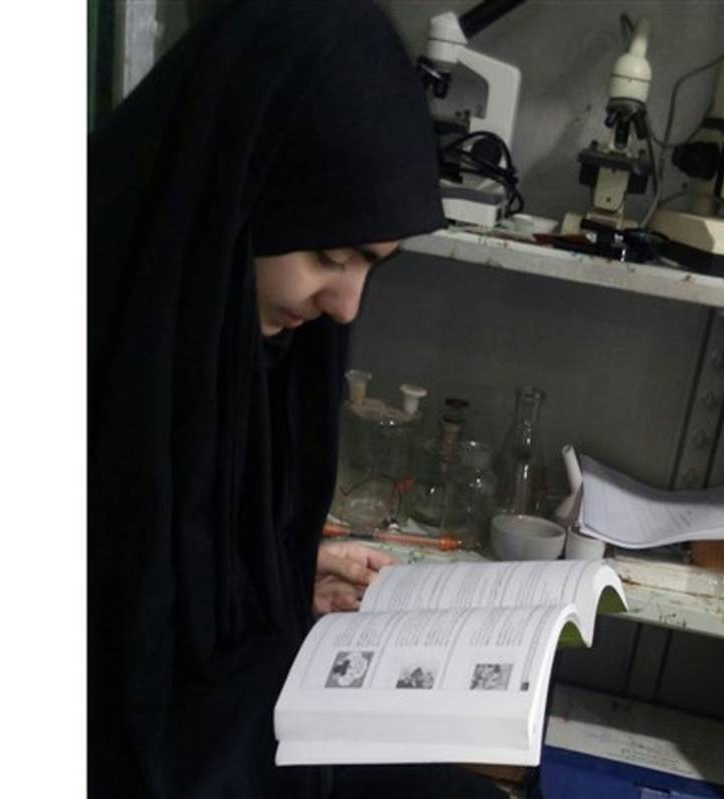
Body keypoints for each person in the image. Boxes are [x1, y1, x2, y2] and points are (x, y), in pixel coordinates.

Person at [89, 1, 505, 796]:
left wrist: (268, 573)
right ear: (239, 190)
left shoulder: (227, 333)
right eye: (329, 254)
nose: (346, 306)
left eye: (373, 265)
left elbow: (170, 551)